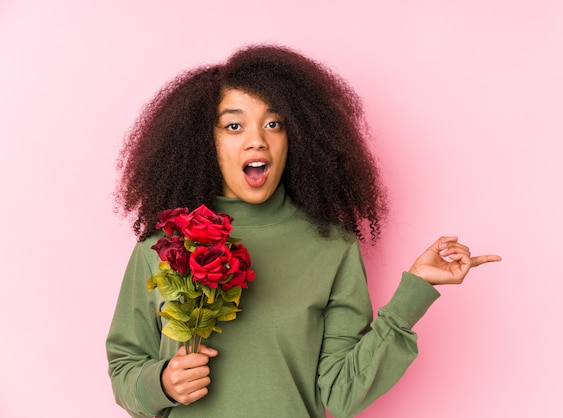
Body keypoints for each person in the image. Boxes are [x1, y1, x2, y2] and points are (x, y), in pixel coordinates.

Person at [106, 44, 501, 418]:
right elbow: (125, 368)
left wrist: (413, 292)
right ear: (204, 140)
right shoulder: (164, 248)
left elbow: (342, 393)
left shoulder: (332, 248)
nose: (257, 140)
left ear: (297, 136)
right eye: (233, 126)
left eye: (273, 124)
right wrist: (161, 383)